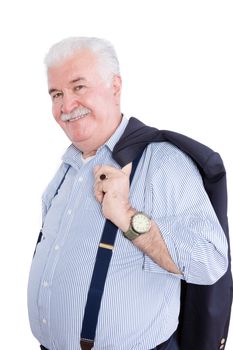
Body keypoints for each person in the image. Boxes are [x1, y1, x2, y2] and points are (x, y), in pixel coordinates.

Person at [27, 37, 228, 350]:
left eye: (79, 87)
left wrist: (129, 218)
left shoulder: (163, 162)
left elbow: (211, 260)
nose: (66, 106)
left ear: (115, 86)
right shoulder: (68, 165)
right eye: (56, 94)